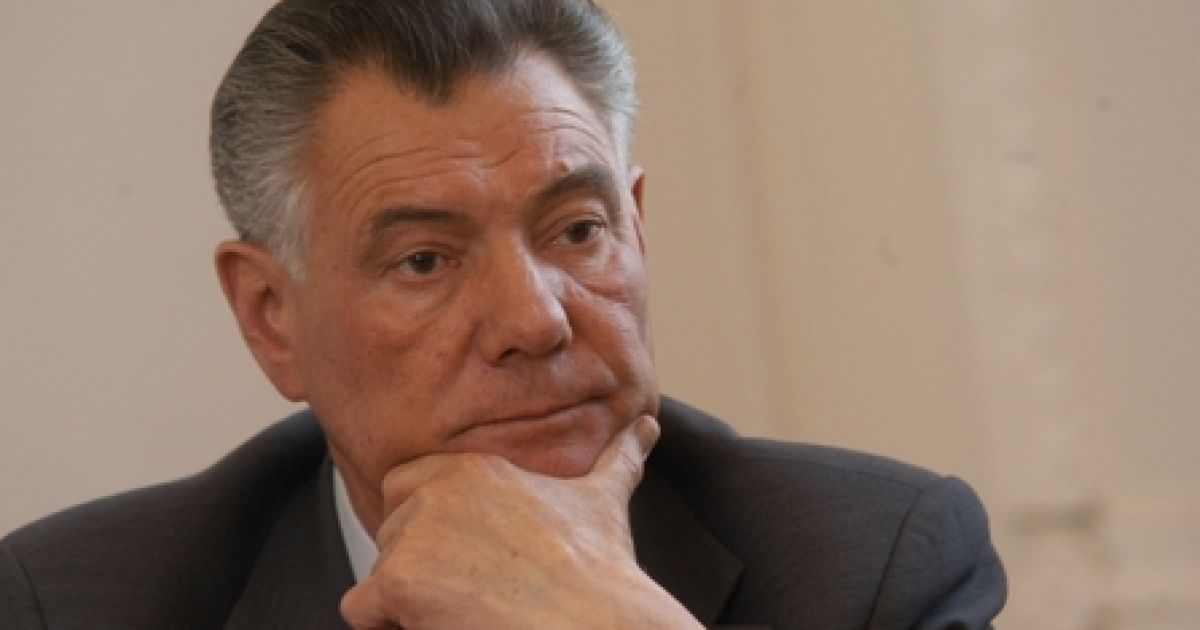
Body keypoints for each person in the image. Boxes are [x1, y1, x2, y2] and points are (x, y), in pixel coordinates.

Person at [0, 1, 1007, 628]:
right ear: (271, 318)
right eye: (424, 260)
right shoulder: (81, 605)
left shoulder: (870, 568)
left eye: (576, 231)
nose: (535, 321)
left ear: (637, 227)